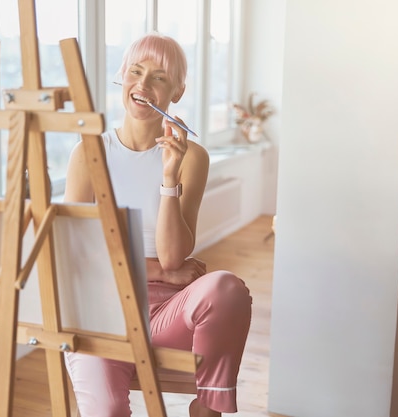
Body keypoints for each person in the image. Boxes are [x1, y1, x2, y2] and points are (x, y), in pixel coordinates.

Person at [63, 32, 252, 417]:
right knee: (108, 411)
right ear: (122, 78)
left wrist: (169, 177)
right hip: (103, 314)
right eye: (135, 72)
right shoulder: (88, 153)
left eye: (159, 77)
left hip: (164, 315)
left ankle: (208, 408)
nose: (143, 85)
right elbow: (74, 255)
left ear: (176, 92)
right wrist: (158, 271)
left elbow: (173, 255)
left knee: (228, 289)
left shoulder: (191, 158)